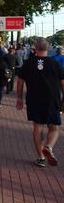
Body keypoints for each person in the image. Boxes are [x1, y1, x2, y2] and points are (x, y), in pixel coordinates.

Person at [16, 38, 63, 168]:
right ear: (47, 49)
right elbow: (63, 83)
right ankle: (48, 147)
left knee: (38, 127)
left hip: (34, 99)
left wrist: (19, 98)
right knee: (54, 128)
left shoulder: (28, 63)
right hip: (52, 100)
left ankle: (41, 158)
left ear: (35, 48)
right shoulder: (55, 64)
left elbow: (20, 82)